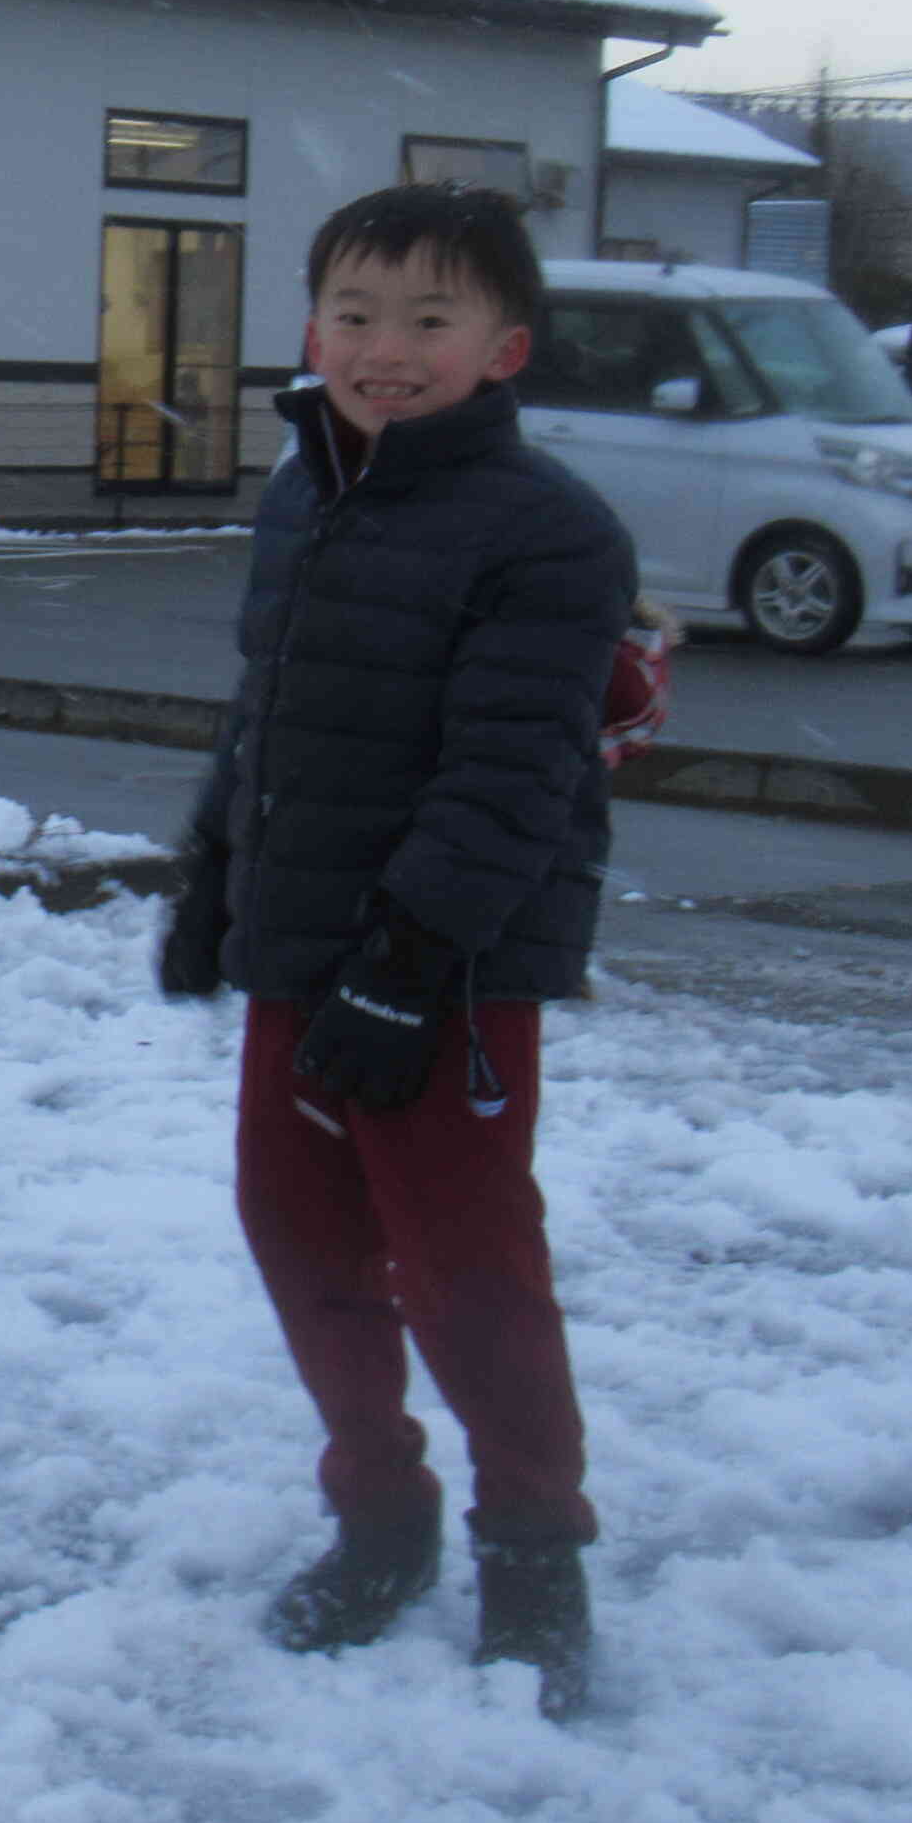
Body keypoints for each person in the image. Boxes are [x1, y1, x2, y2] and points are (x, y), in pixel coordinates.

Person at [158, 183, 634, 1720]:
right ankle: (382, 1514)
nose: (386, 348)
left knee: (465, 1269)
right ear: (310, 330)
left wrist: (408, 959)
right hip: (303, 945)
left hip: (457, 969)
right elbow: (270, 714)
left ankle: (533, 1554)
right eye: (357, 314)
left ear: (504, 348)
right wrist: (213, 877)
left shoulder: (550, 533)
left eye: (431, 320)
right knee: (299, 1239)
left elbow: (514, 774)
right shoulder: (306, 495)